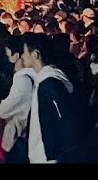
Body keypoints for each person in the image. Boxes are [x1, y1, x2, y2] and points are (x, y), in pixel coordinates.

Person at [22, 32, 81, 163]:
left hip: (50, 155)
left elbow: (66, 119)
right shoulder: (43, 80)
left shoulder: (49, 83)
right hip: (45, 154)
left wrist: (59, 155)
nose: (22, 57)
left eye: (25, 52)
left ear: (35, 55)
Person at [0, 35, 36, 163]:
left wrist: (3, 105)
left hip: (20, 136)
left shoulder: (22, 79)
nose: (7, 57)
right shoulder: (32, 75)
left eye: (9, 54)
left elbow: (3, 111)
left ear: (17, 55)